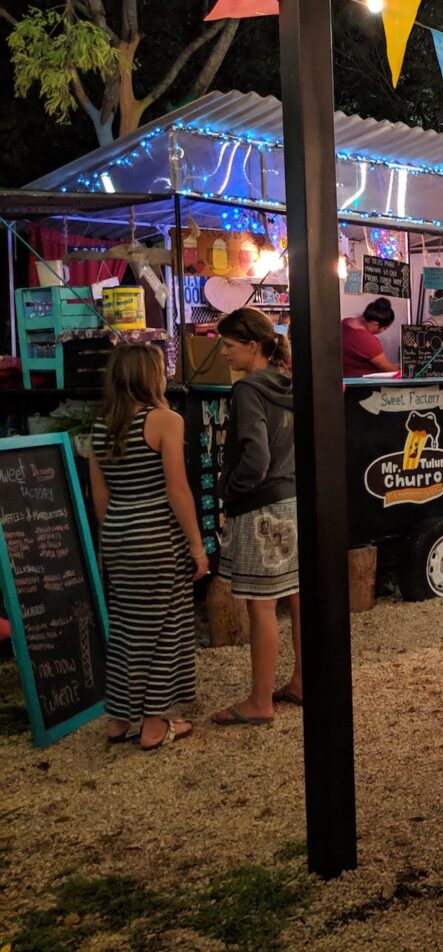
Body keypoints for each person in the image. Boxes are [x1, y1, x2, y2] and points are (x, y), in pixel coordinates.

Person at [89, 344, 208, 750]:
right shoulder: (165, 421)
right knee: (165, 627)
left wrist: (112, 543)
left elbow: (100, 498)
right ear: (149, 376)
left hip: (120, 534)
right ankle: (155, 725)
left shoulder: (101, 426)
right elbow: (177, 489)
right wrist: (197, 547)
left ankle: (118, 718)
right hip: (158, 536)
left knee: (125, 627)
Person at [211, 307, 300, 726]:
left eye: (229, 345)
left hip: (261, 506)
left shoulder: (247, 389)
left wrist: (232, 487)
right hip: (295, 500)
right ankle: (302, 681)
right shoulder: (290, 382)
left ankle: (260, 701)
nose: (224, 352)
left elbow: (256, 457)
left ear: (251, 345)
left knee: (261, 605)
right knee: (298, 597)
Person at [342, 296, 395, 376]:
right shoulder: (367, 340)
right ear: (375, 324)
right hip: (360, 384)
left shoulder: (345, 322)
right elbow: (388, 369)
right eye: (384, 328)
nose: (382, 331)